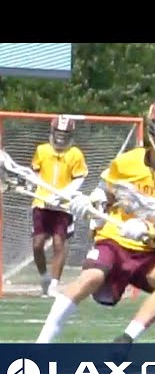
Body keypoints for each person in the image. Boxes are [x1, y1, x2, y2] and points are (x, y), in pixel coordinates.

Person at [36, 99, 155, 346]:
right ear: (153, 130)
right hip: (116, 239)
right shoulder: (128, 162)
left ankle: (126, 339)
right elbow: (105, 193)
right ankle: (40, 345)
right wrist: (91, 204)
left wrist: (153, 233)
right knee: (90, 278)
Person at [31, 115, 88, 297]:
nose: (61, 137)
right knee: (37, 244)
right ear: (52, 132)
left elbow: (79, 177)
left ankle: (54, 285)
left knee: (58, 242)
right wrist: (41, 190)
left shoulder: (75, 154)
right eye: (58, 133)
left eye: (65, 134)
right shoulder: (42, 150)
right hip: (41, 203)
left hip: (63, 206)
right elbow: (36, 173)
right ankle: (44, 277)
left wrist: (62, 194)